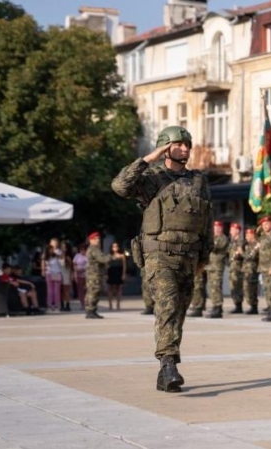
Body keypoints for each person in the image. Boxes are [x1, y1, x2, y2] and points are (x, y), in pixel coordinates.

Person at [111, 125, 213, 393]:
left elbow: (206, 222)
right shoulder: (152, 179)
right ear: (165, 147)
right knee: (167, 306)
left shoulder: (199, 181)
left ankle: (164, 370)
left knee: (178, 311)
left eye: (187, 145)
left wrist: (204, 256)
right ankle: (169, 364)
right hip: (159, 255)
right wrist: (148, 159)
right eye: (179, 144)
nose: (185, 149)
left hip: (189, 257)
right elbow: (119, 186)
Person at [85, 232, 118, 319]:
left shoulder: (94, 249)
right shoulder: (94, 249)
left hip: (95, 274)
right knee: (93, 292)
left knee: (94, 292)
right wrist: (113, 257)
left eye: (98, 238)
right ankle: (90, 310)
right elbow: (102, 259)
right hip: (94, 275)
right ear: (91, 240)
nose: (98, 240)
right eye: (96, 239)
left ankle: (92, 310)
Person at [204, 221, 229, 319]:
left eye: (218, 228)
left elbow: (214, 247)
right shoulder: (213, 238)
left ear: (221, 228)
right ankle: (215, 306)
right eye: (215, 228)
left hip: (217, 267)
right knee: (212, 288)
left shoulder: (223, 238)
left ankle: (218, 307)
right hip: (210, 266)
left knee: (216, 287)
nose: (216, 229)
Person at [241, 227, 260, 315]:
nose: (246, 236)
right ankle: (251, 305)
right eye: (246, 235)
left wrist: (242, 253)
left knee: (252, 288)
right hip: (246, 269)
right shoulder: (247, 245)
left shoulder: (256, 245)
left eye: (248, 235)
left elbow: (251, 256)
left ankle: (254, 306)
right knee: (247, 288)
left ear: (253, 235)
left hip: (252, 270)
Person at [227, 223, 244, 314]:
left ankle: (239, 305)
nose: (230, 232)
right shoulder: (232, 242)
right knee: (233, 286)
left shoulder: (240, 241)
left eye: (232, 230)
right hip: (232, 267)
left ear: (237, 231)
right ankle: (236, 304)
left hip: (237, 268)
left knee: (237, 286)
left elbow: (240, 254)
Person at [106, 242, 126, 311]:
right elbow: (106, 265)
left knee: (119, 289)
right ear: (111, 248)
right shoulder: (109, 255)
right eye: (113, 246)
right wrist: (106, 274)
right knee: (110, 289)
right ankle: (110, 305)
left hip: (118, 271)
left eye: (116, 246)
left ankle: (118, 304)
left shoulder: (121, 255)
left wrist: (123, 274)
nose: (115, 248)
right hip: (111, 271)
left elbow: (124, 266)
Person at [42, 244, 62, 312]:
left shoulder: (56, 255)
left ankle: (57, 306)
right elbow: (43, 264)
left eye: (52, 249)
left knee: (56, 291)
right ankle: (49, 306)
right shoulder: (45, 257)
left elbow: (61, 255)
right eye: (49, 249)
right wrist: (43, 271)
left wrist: (57, 250)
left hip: (56, 273)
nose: (51, 250)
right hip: (49, 273)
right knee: (50, 291)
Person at [73, 244, 88, 309]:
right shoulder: (77, 256)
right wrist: (75, 271)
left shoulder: (88, 256)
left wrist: (83, 268)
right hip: (79, 275)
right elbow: (74, 264)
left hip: (87, 275)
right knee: (80, 290)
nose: (82, 251)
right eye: (81, 250)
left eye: (84, 250)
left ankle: (88, 303)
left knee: (87, 290)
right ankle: (82, 304)